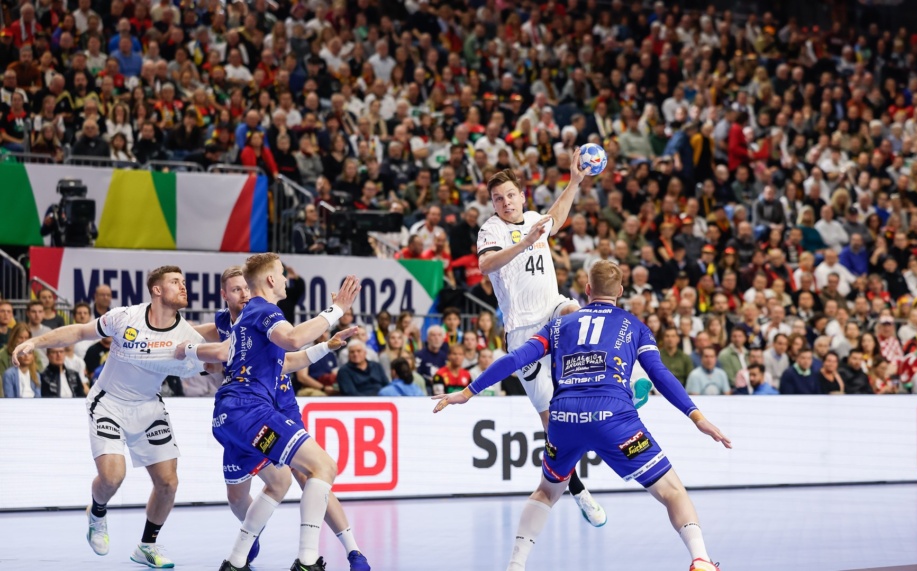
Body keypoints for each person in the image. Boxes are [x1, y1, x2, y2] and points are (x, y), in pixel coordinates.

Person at [432, 260, 729, 571]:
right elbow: (660, 374)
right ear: (621, 291)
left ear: (587, 290)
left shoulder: (559, 326)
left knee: (546, 491)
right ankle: (700, 560)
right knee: (673, 492)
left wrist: (468, 392)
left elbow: (516, 358)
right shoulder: (635, 326)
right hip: (614, 419)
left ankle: (516, 565)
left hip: (564, 419)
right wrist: (697, 417)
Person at [477, 154, 646, 526]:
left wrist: (574, 181)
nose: (505, 202)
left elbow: (555, 216)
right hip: (522, 330)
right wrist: (525, 243)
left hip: (552, 308)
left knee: (579, 313)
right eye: (498, 198)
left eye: (510, 195)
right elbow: (485, 265)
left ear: (522, 196)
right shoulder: (491, 230)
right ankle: (580, 493)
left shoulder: (534, 220)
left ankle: (631, 382)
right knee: (553, 424)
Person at [179, 255, 369, 571]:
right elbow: (292, 339)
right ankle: (308, 561)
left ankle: (236, 560)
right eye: (282, 274)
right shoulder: (263, 311)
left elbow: (285, 359)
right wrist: (336, 309)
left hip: (232, 417)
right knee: (322, 467)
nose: (285, 280)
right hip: (252, 411)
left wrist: (326, 346)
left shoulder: (243, 320)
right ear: (269, 280)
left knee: (281, 482)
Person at [11, 266, 208, 568]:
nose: (184, 286)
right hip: (109, 403)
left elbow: (215, 365)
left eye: (184, 281)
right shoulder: (125, 317)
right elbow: (80, 331)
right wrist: (35, 342)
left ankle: (146, 546)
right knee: (112, 477)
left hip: (148, 406)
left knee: (168, 483)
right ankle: (97, 512)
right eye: (175, 282)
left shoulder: (187, 336)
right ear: (157, 290)